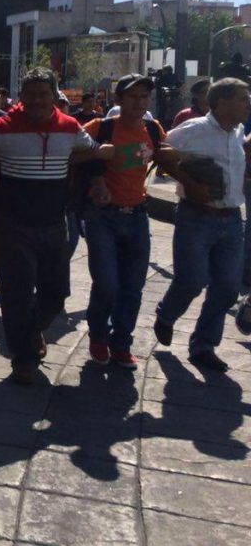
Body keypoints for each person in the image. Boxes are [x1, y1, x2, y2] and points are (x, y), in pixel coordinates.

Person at [0, 68, 111, 385]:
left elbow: (91, 152)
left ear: (55, 97)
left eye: (43, 94)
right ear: (20, 97)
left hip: (53, 223)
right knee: (16, 293)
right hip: (11, 223)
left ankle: (31, 332)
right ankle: (24, 358)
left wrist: (99, 182)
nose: (36, 100)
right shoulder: (1, 127)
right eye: (29, 94)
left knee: (56, 293)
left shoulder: (70, 127)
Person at [153, 78, 250, 371]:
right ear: (221, 102)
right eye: (243, 98)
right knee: (192, 280)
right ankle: (166, 315)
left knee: (227, 288)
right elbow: (160, 153)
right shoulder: (195, 130)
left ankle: (203, 346)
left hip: (232, 220)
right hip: (196, 217)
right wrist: (190, 183)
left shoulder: (238, 132)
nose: (248, 104)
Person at [79, 74, 171, 369]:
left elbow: (167, 159)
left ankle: (121, 343)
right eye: (132, 96)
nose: (139, 102)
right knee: (106, 283)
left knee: (132, 286)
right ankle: (98, 335)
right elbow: (73, 154)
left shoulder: (154, 129)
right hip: (102, 217)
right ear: (118, 100)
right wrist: (95, 181)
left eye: (144, 97)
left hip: (138, 215)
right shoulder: (101, 127)